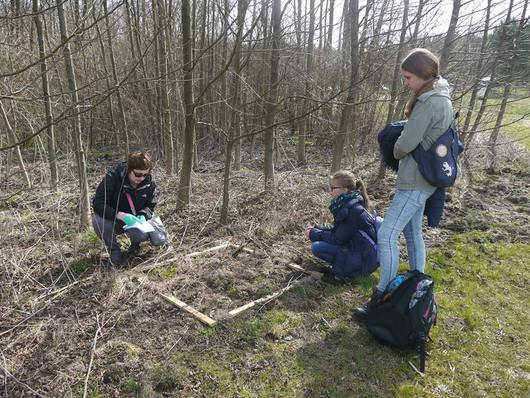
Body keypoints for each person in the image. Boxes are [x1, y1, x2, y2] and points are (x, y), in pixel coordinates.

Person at [353, 48, 453, 319]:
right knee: (411, 235)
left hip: (415, 182)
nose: (405, 83)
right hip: (424, 180)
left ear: (424, 75)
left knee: (386, 235)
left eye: (408, 77)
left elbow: (405, 144)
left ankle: (381, 298)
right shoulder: (441, 97)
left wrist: (394, 147)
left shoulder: (429, 102)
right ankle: (417, 293)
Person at [92, 151, 166, 265]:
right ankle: (114, 250)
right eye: (138, 174)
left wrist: (143, 214)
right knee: (98, 221)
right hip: (115, 219)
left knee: (143, 235)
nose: (141, 178)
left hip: (135, 221)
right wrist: (119, 215)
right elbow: (98, 203)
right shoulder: (112, 178)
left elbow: (150, 205)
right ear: (129, 169)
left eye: (145, 174)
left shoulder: (149, 183)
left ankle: (135, 244)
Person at [305, 170, 378, 281]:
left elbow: (338, 239)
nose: (330, 191)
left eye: (333, 188)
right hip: (358, 251)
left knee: (317, 247)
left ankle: (351, 273)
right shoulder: (349, 204)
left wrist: (313, 234)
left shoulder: (353, 210)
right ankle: (346, 267)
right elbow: (338, 230)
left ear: (345, 190)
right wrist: (317, 228)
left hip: (363, 260)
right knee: (318, 244)